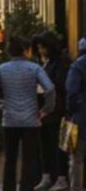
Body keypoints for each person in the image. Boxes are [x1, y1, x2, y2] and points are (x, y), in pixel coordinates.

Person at [0, 36, 55, 191]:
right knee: (29, 159)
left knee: (10, 159)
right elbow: (49, 88)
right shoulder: (35, 68)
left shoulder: (2, 69)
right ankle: (26, 188)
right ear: (26, 51)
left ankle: (9, 188)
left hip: (9, 119)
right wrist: (46, 109)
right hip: (31, 120)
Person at [32, 31, 70, 191]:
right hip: (44, 110)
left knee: (58, 145)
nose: (41, 51)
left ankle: (61, 177)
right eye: (39, 48)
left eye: (43, 47)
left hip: (56, 110)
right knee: (46, 144)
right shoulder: (43, 64)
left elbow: (59, 84)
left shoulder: (61, 63)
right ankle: (47, 176)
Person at [66, 37, 86, 191]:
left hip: (81, 116)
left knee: (76, 157)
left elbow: (71, 91)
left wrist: (72, 110)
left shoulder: (77, 66)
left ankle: (76, 188)